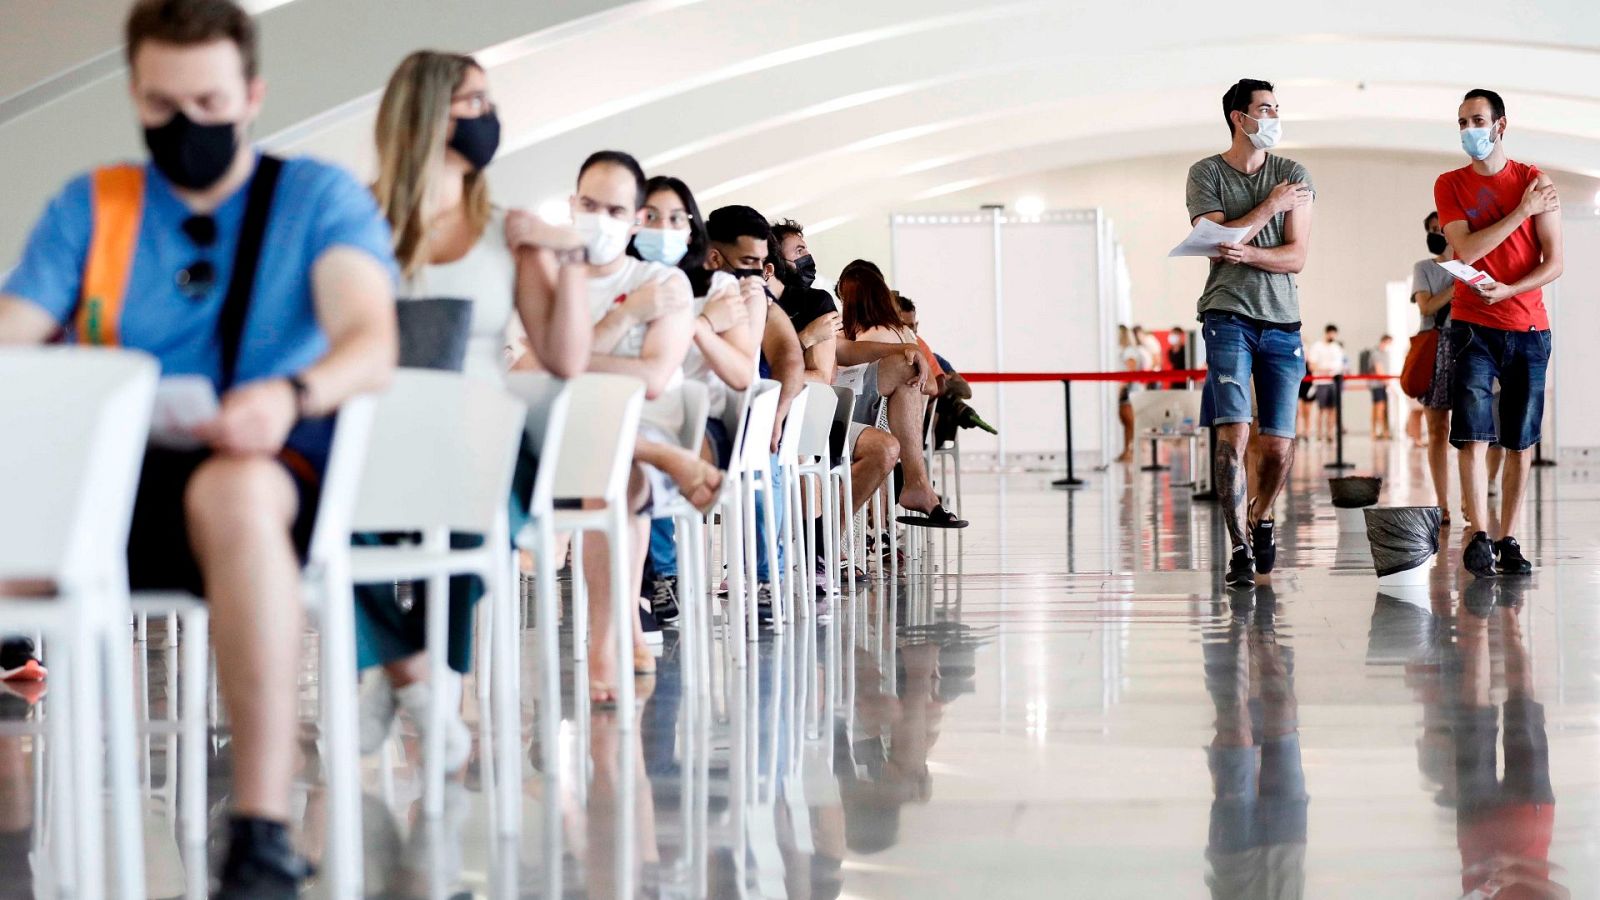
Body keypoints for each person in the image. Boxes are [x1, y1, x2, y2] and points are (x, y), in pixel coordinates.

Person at [0, 1, 399, 893]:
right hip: (110, 477)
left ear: (252, 94)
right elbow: (15, 330)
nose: (189, 127)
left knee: (237, 490)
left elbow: (370, 338)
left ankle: (259, 828)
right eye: (163, 106)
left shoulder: (314, 200)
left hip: (263, 465)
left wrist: (292, 394)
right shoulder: (95, 206)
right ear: (137, 96)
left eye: (211, 104)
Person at [353, 50, 592, 771]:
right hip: (377, 430)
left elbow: (565, 357)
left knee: (464, 504)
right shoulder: (357, 218)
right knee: (312, 508)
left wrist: (569, 257)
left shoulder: (504, 230)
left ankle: (407, 676)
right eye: (471, 102)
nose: (488, 118)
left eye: (489, 101)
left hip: (475, 437)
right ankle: (409, 671)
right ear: (425, 113)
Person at [564, 150, 723, 701]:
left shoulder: (665, 284)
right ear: (572, 205)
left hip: (635, 422)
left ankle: (609, 634)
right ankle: (621, 627)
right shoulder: (552, 271)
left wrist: (569, 356)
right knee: (610, 464)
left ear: (630, 216)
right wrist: (625, 317)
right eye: (588, 205)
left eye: (614, 208)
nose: (599, 219)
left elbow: (654, 377)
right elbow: (524, 369)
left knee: (614, 473)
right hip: (558, 424)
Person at [1188, 78, 1315, 587]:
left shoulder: (1295, 174)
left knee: (1279, 445)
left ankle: (1260, 518)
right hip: (1227, 316)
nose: (1274, 117)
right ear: (1239, 118)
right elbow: (1215, 240)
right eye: (1265, 109)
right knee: (1233, 434)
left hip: (1282, 323)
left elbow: (1297, 257)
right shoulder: (1206, 173)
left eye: (1277, 108)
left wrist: (1252, 251)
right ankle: (1239, 547)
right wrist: (1269, 209)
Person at [1434, 88, 1563, 577]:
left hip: (1529, 326)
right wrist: (1521, 214)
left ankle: (1508, 536)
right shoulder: (1450, 183)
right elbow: (1465, 251)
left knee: (1520, 441)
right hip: (1472, 325)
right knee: (1471, 433)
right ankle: (1479, 534)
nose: (1470, 131)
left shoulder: (1535, 180)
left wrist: (1510, 289)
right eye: (1463, 122)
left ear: (1500, 125)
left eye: (1478, 121)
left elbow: (1555, 263)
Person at [632, 176, 763, 623]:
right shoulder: (627, 282)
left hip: (698, 420)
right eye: (650, 217)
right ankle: (634, 590)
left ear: (692, 229)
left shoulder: (719, 287)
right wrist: (700, 322)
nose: (663, 228)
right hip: (632, 414)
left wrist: (699, 328)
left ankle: (660, 577)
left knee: (653, 452)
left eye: (675, 218)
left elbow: (742, 374)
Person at [834, 260, 967, 529]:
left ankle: (910, 490)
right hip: (892, 432)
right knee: (906, 375)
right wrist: (906, 349)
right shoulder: (906, 334)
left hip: (864, 421)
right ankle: (916, 484)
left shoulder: (849, 335)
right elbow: (932, 387)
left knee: (904, 381)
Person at [1305, 324, 1346, 442]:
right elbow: (1312, 366)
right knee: (1321, 409)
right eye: (1331, 333)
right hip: (1321, 381)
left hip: (1334, 382)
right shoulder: (1317, 347)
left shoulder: (1337, 348)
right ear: (1327, 333)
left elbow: (1340, 365)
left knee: (1332, 409)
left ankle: (1330, 433)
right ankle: (1319, 433)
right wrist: (1324, 370)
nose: (1333, 336)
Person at [1115, 325, 1142, 463]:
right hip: (1127, 390)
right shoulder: (1125, 351)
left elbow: (1130, 371)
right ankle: (1127, 450)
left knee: (1130, 422)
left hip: (1129, 391)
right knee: (1126, 422)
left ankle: (1132, 450)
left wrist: (1121, 387)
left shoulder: (1129, 351)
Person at [1369, 334, 1393, 440]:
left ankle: (1377, 431)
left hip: (1381, 384)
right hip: (1377, 384)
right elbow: (1379, 370)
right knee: (1380, 407)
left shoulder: (1385, 353)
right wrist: (1386, 382)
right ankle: (1381, 431)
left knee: (1377, 408)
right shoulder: (1376, 353)